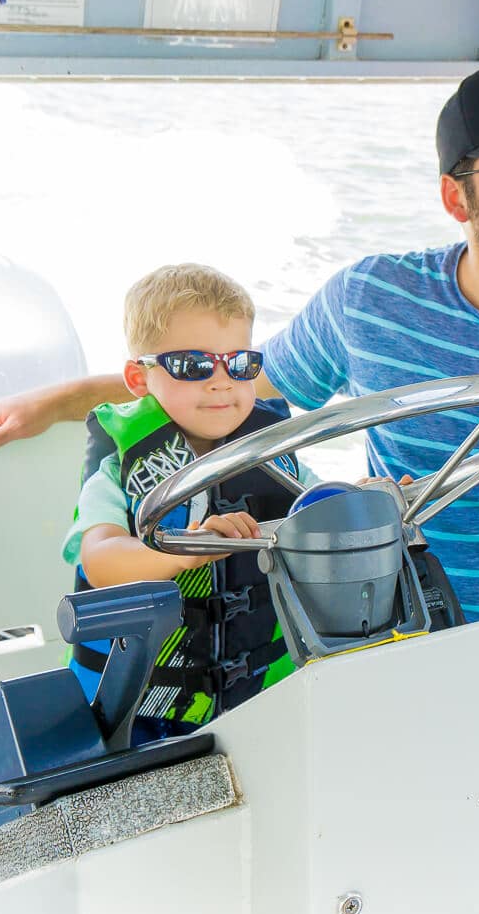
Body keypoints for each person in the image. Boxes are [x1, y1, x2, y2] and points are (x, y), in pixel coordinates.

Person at [0, 64, 479, 622]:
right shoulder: (371, 301)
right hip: (380, 635)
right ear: (454, 197)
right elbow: (235, 389)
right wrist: (63, 398)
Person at [62, 263, 305, 742]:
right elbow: (101, 560)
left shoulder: (270, 450)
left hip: (260, 697)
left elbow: (314, 506)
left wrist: (364, 495)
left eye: (239, 365)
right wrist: (186, 548)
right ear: (139, 377)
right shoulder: (117, 470)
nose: (221, 382)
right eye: (193, 365)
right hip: (140, 712)